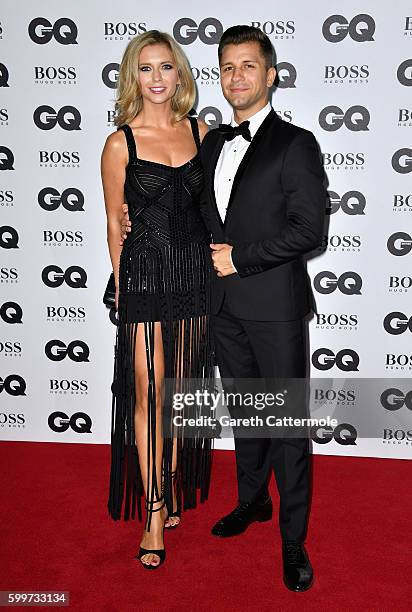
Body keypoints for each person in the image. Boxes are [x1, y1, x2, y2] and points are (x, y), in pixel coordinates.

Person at [121, 25, 326, 590]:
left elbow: (310, 231)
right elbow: (193, 215)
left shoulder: (296, 143)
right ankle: (252, 501)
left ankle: (292, 539)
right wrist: (140, 224)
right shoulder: (210, 141)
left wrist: (244, 259)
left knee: (286, 422)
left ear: (271, 74)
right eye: (227, 67)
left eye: (248, 66)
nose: (237, 77)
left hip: (274, 303)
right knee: (246, 413)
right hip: (219, 306)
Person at [101, 30, 214, 569]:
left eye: (165, 67)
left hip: (192, 274)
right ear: (133, 76)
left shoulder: (202, 131)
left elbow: (219, 205)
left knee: (176, 393)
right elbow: (111, 221)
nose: (156, 78)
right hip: (145, 275)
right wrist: (121, 285)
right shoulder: (120, 142)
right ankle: (152, 508)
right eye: (145, 68)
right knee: (147, 388)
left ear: (180, 74)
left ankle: (166, 481)